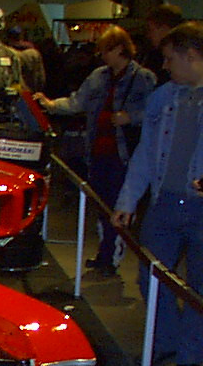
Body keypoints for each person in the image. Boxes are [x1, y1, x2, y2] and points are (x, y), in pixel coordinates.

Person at [111, 21, 203, 366]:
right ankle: (165, 342)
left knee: (199, 289)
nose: (164, 66)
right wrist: (128, 200)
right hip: (165, 204)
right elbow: (147, 154)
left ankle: (190, 354)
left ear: (191, 56)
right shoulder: (163, 98)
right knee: (151, 276)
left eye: (170, 58)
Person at [36, 25, 155, 275]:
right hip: (98, 152)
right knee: (102, 205)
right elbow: (77, 101)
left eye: (106, 50)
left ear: (120, 49)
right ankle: (106, 252)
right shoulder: (99, 76)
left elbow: (154, 115)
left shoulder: (143, 78)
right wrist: (49, 104)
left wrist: (130, 117)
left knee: (117, 204)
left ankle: (111, 254)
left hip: (125, 156)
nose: (102, 55)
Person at [141, 4, 183, 85]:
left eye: (151, 30)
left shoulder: (181, 56)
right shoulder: (152, 56)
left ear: (165, 29)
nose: (149, 36)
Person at [6, 26, 46, 93]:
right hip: (31, 91)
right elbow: (41, 77)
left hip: (15, 91)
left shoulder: (6, 53)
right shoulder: (34, 53)